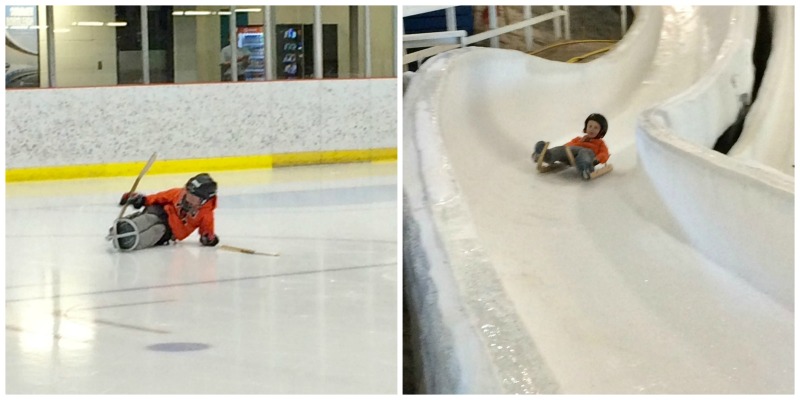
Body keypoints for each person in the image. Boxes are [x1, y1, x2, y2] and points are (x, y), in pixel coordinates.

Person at [107, 173, 219, 251]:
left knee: (158, 230)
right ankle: (125, 226)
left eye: (193, 197)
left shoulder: (206, 215)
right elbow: (158, 197)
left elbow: (207, 231)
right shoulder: (178, 193)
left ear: (204, 200)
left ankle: (132, 241)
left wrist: (209, 239)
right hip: (160, 212)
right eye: (188, 192)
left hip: (170, 231)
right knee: (150, 218)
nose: (188, 197)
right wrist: (140, 200)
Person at [531, 113, 611, 180]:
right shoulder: (578, 139)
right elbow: (568, 145)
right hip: (569, 155)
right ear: (586, 128)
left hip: (586, 156)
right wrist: (561, 149)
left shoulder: (600, 143)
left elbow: (605, 153)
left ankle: (585, 168)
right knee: (562, 149)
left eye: (596, 128)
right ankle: (544, 154)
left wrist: (598, 159)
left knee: (585, 152)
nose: (592, 129)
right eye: (590, 126)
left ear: (601, 131)